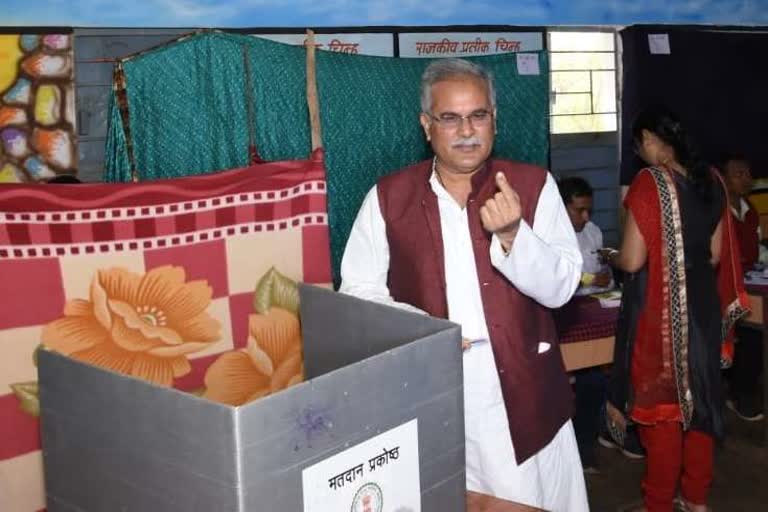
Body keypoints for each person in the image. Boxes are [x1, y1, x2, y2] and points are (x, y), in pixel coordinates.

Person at [340, 58, 588, 511]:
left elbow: (563, 287)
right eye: (450, 118)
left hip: (522, 395)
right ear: (426, 125)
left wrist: (514, 235)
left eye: (478, 115)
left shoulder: (533, 186)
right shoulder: (388, 197)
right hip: (430, 393)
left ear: (495, 119)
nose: (466, 130)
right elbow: (356, 292)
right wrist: (424, 331)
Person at [602, 106, 748, 512]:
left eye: (639, 145)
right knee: (700, 404)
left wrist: (612, 255)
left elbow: (632, 261)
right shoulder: (713, 180)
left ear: (650, 139)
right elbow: (717, 255)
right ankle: (696, 498)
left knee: (663, 414)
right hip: (702, 311)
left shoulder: (649, 183)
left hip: (660, 315)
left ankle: (660, 504)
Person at [718, 154, 764, 421]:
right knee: (750, 335)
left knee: (755, 329)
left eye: (748, 174)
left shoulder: (750, 211)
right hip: (722, 287)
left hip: (750, 283)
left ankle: (743, 388)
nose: (747, 179)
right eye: (739, 174)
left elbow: (755, 252)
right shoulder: (717, 212)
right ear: (723, 179)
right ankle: (739, 395)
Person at [558, 176, 614, 295]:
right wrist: (591, 279)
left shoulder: (592, 231)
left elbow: (602, 269)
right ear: (561, 208)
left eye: (589, 211)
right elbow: (559, 279)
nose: (586, 217)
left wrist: (606, 273)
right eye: (580, 210)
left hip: (599, 298)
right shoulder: (551, 238)